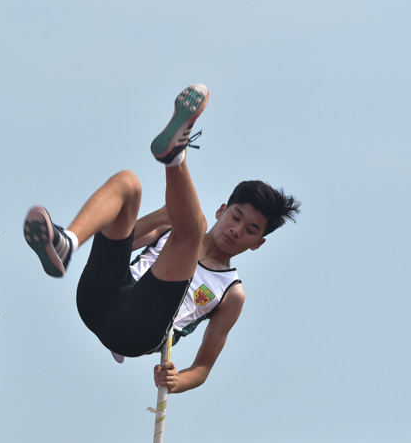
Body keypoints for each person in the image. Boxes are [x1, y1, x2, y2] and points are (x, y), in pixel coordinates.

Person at [23, 84, 300, 394]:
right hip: (97, 299)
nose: (237, 230)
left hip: (136, 332)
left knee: (193, 229)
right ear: (223, 209)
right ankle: (68, 243)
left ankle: (175, 157)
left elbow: (203, 368)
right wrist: (166, 214)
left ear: (258, 243)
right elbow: (121, 237)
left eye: (251, 230)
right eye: (236, 217)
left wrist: (177, 380)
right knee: (129, 182)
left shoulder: (231, 293)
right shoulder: (175, 224)